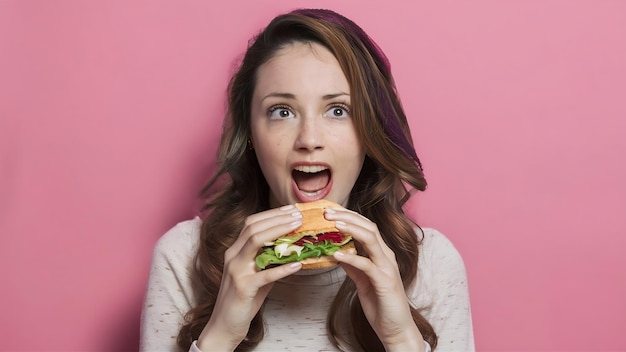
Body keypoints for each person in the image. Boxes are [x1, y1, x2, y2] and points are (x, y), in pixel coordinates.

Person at [140, 8, 474, 352]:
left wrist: (401, 339)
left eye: (338, 110)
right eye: (282, 112)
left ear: (370, 131)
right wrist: (220, 336)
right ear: (251, 132)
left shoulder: (432, 264)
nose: (310, 139)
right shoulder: (183, 258)